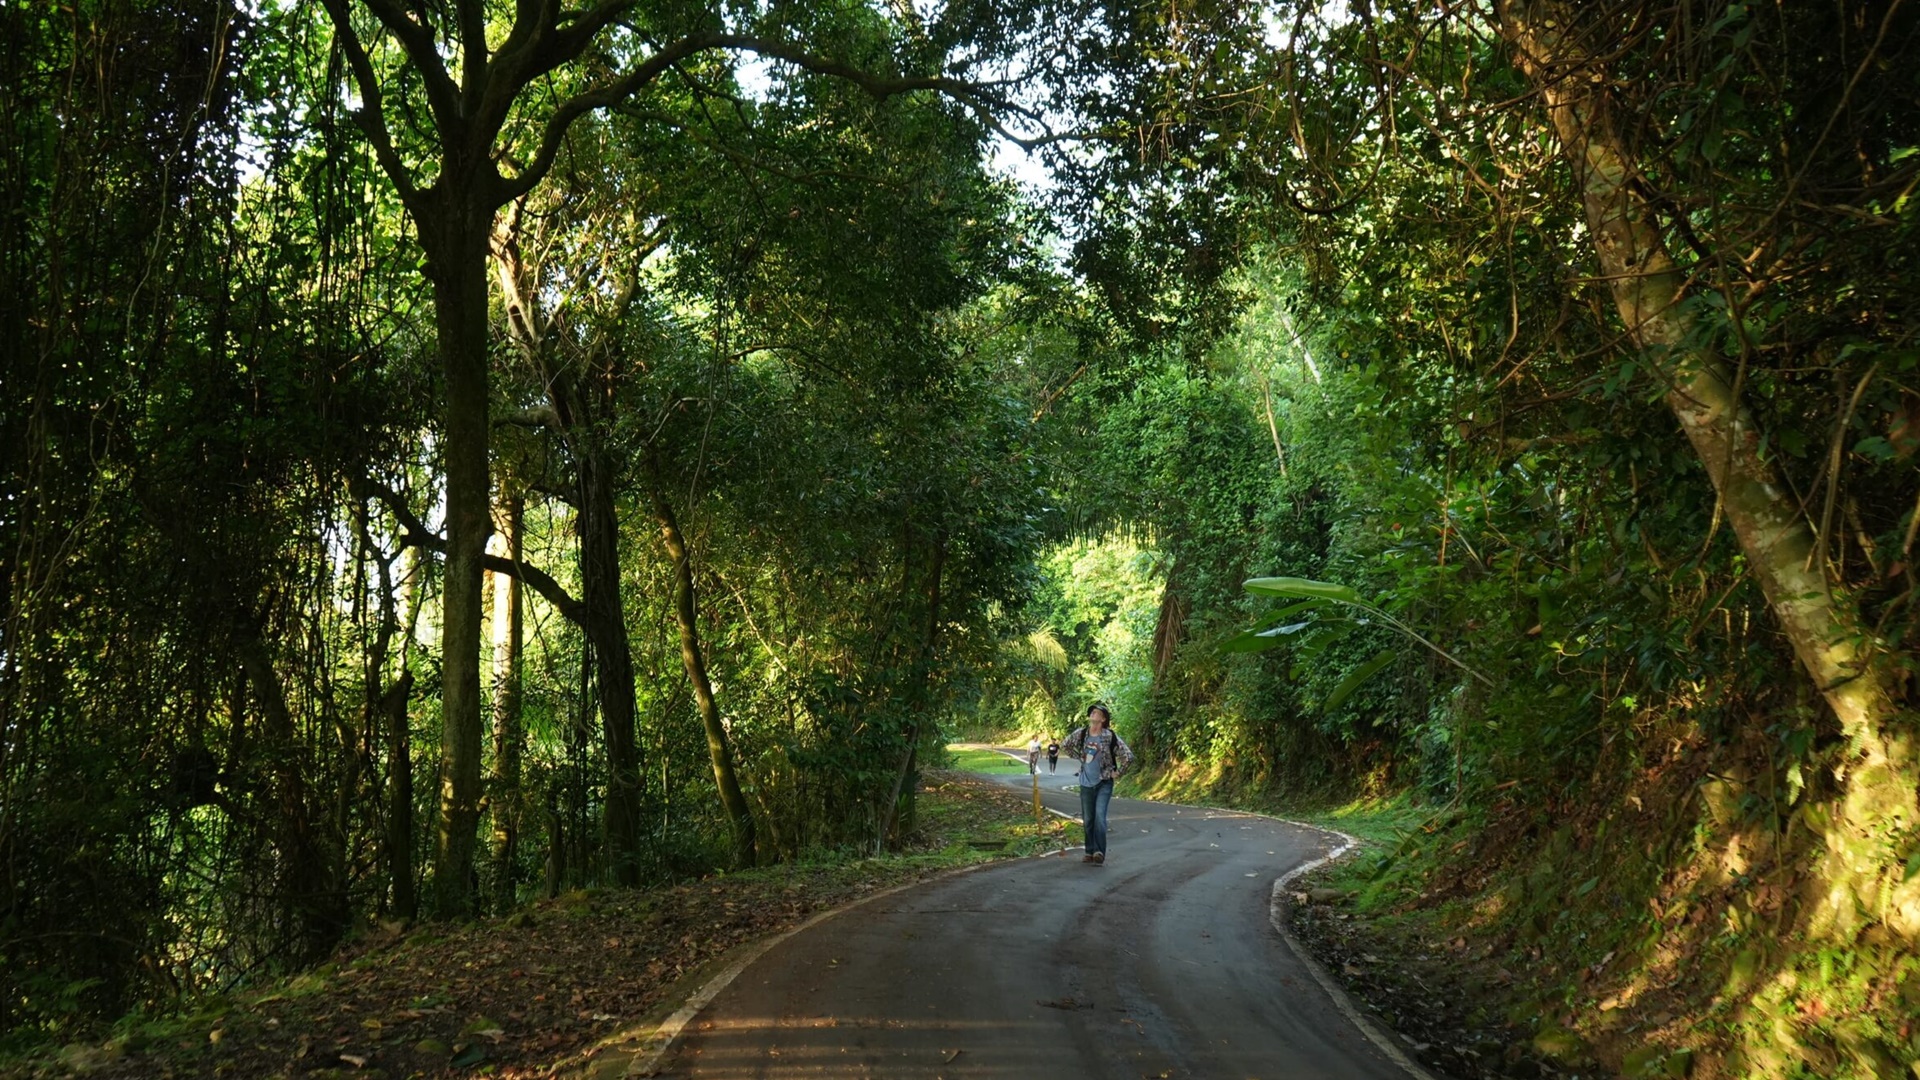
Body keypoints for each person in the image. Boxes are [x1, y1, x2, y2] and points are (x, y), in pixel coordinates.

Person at [1061, 704, 1133, 864]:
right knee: (1088, 819)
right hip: (1086, 783)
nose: (1093, 714)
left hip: (1104, 782)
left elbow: (1128, 756)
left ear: (1103, 719)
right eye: (1092, 712)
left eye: (1097, 713)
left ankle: (1099, 851)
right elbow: (1065, 745)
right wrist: (1080, 756)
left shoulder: (1109, 736)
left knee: (1100, 817)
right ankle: (1089, 851)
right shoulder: (1081, 734)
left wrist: (1118, 772)